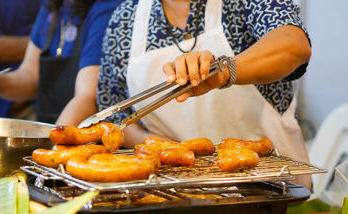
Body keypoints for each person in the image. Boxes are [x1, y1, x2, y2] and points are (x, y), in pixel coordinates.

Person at [96, 0, 312, 189]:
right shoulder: (124, 19)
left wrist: (223, 71)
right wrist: (172, 152)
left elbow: (294, 45)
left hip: (277, 192)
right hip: (181, 195)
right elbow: (116, 118)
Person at [0, 0, 122, 124]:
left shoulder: (106, 9)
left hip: (85, 144)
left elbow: (87, 98)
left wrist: (49, 153)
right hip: (52, 131)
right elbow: (30, 76)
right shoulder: (53, 6)